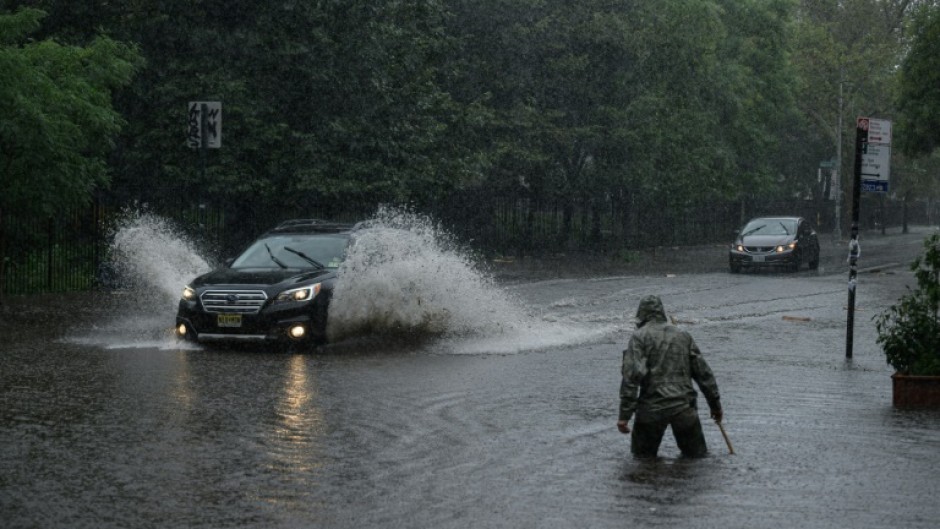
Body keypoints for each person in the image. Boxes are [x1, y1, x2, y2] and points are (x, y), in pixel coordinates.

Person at [616, 295, 722, 458]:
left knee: (641, 463)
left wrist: (624, 416)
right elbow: (704, 374)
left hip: (651, 410)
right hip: (684, 409)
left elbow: (632, 377)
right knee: (696, 461)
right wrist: (715, 405)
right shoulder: (683, 335)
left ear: (641, 314)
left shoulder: (639, 337)